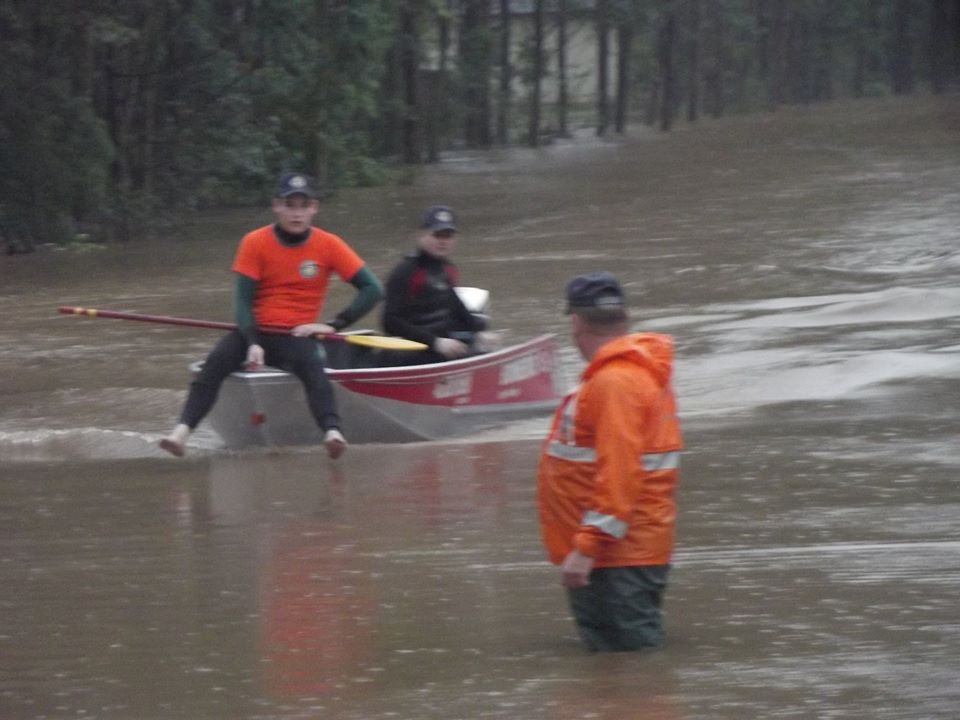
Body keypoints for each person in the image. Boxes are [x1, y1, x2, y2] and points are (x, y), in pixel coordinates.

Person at [160, 171, 383, 459]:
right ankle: (181, 432)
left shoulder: (329, 245)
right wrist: (252, 341)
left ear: (314, 208)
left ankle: (332, 432)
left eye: (303, 206)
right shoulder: (254, 242)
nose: (297, 213)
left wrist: (332, 325)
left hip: (296, 334)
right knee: (213, 365)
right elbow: (242, 301)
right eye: (290, 205)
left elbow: (372, 289)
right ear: (277, 206)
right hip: (253, 330)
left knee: (315, 369)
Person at [537, 271, 683, 652]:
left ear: (576, 322)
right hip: (623, 552)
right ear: (624, 319)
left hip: (616, 558)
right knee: (624, 673)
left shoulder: (614, 382)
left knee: (630, 668)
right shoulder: (629, 374)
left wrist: (586, 548)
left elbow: (620, 475)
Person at [380, 204, 488, 365]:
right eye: (437, 235)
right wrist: (435, 342)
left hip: (440, 345)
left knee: (483, 342)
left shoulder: (448, 269)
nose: (443, 241)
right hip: (408, 351)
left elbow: (456, 306)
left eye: (448, 235)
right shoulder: (406, 271)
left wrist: (479, 333)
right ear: (421, 235)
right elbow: (389, 321)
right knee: (473, 357)